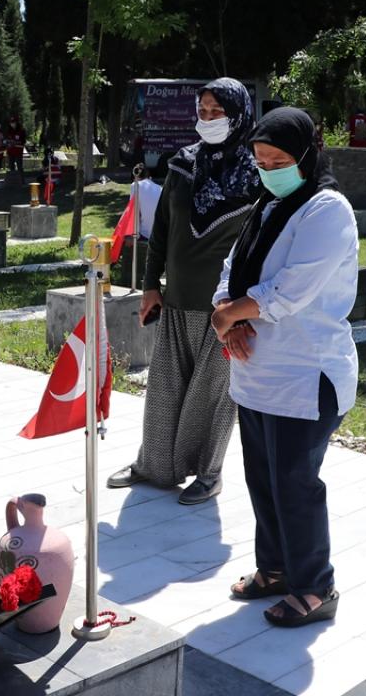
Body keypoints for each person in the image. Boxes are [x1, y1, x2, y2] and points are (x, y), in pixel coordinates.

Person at [212, 106, 357, 628]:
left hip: (305, 373)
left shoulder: (326, 210)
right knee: (263, 480)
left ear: (307, 155)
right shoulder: (267, 205)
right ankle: (274, 569)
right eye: (261, 161)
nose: (269, 171)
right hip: (256, 374)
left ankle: (315, 586)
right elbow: (232, 268)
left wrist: (231, 314)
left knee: (295, 483)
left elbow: (291, 289)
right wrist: (228, 313)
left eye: (279, 161)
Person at [106, 77, 261, 505]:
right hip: (175, 300)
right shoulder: (183, 164)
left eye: (217, 112)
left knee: (212, 396)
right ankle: (154, 466)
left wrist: (245, 309)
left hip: (225, 310)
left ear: (238, 115)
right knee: (164, 391)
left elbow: (262, 245)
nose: (207, 119)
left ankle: (208, 474)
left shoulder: (256, 175)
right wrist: (150, 285)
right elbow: (161, 230)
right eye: (202, 111)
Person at [133, 163, 164, 240]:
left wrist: (133, 235)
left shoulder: (135, 185)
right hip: (160, 234)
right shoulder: (160, 188)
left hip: (145, 234)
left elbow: (133, 212)